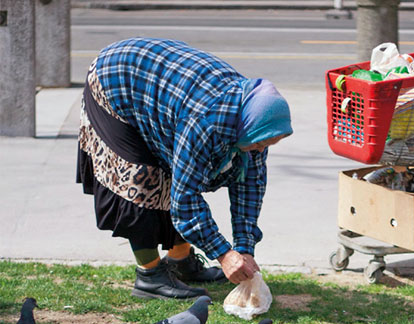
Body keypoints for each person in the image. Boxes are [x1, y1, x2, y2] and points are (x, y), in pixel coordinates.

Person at [76, 38, 293, 300]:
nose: (261, 149)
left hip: (163, 91)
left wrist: (245, 247)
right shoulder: (205, 122)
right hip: (116, 80)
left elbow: (250, 187)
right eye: (260, 143)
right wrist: (223, 254)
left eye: (270, 143)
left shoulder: (256, 118)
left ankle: (180, 261)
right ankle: (149, 276)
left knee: (174, 173)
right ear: (248, 126)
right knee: (142, 180)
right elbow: (186, 200)